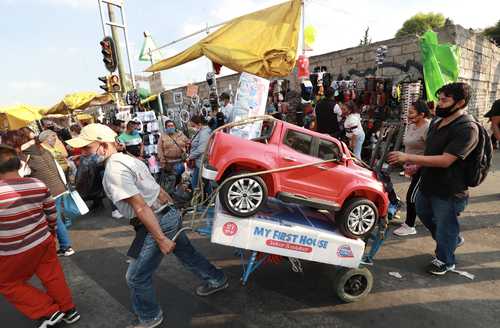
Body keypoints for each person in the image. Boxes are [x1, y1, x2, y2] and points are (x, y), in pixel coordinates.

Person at [66, 124, 228, 328]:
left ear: (104, 146)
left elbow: (141, 207)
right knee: (186, 252)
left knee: (135, 277)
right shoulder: (128, 160)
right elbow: (156, 188)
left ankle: (149, 317)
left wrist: (160, 238)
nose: (83, 153)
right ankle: (216, 278)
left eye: (87, 148)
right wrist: (173, 210)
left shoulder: (115, 170)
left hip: (156, 219)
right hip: (166, 213)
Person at [388, 82, 479, 275]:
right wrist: (417, 166)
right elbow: (431, 152)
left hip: (450, 189)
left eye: (445, 99)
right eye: (439, 98)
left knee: (445, 225)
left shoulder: (467, 128)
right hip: (428, 183)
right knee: (423, 212)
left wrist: (409, 157)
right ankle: (451, 239)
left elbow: (446, 160)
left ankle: (445, 260)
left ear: (460, 103)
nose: (440, 102)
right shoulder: (437, 122)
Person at [0, 145, 80, 328]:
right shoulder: (37, 184)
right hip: (43, 240)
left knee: (7, 283)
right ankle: (69, 310)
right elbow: (52, 214)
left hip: (14, 249)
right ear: (18, 164)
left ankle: (47, 310)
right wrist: (51, 233)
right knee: (53, 275)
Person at [23, 137, 75, 257]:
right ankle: (63, 243)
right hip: (58, 186)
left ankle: (66, 246)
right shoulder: (45, 151)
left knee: (53, 218)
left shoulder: (27, 156)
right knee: (56, 216)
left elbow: (22, 174)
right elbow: (58, 168)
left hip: (48, 191)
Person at [393, 100, 431, 237]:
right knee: (424, 196)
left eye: (411, 112)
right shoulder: (412, 125)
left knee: (412, 196)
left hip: (424, 168)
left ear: (421, 114)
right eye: (408, 112)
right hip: (413, 166)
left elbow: (432, 152)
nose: (408, 115)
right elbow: (409, 146)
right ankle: (432, 221)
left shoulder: (428, 128)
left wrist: (417, 164)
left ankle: (410, 225)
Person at [157, 120, 189, 191]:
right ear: (165, 127)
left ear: (175, 127)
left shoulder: (181, 135)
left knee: (181, 178)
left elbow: (188, 143)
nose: (170, 127)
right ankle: (172, 193)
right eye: (168, 126)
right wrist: (163, 162)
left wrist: (186, 151)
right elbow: (159, 150)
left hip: (180, 161)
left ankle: (179, 192)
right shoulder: (162, 136)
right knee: (171, 180)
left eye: (172, 126)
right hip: (169, 163)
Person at [187, 115, 212, 194]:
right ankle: (208, 199)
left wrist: (190, 157)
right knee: (205, 182)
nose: (192, 127)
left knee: (195, 183)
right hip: (200, 161)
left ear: (199, 124)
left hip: (201, 162)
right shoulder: (202, 131)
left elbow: (202, 149)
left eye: (193, 125)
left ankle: (200, 200)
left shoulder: (204, 132)